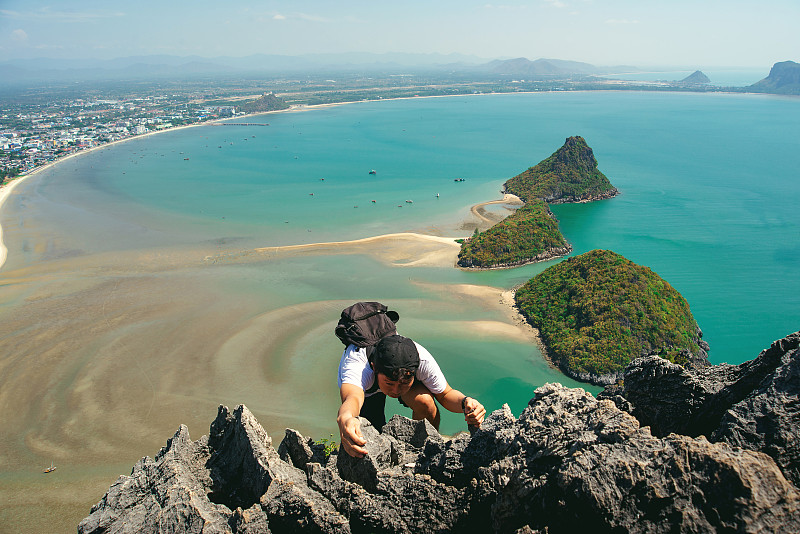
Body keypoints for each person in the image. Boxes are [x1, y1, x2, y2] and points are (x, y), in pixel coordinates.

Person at [337, 333, 486, 458]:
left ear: (415, 372)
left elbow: (446, 394)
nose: (396, 390)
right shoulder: (358, 366)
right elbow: (353, 399)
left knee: (426, 402)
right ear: (374, 368)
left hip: (387, 376)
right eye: (390, 383)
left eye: (403, 383)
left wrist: (467, 403)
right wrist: (346, 419)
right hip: (368, 390)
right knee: (365, 437)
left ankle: (424, 450)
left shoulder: (422, 361)